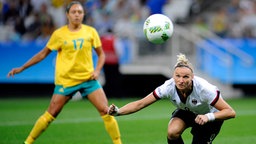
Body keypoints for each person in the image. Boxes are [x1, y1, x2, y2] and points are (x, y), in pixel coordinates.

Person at [7, 1, 122, 144]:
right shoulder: (59, 34)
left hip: (88, 80)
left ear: (83, 14)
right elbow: (43, 54)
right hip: (66, 81)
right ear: (67, 15)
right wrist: (22, 68)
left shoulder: (90, 32)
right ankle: (28, 142)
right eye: (73, 12)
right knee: (51, 114)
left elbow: (101, 55)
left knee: (106, 111)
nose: (77, 15)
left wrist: (97, 70)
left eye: (80, 12)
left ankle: (118, 143)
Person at [108, 53, 236, 144]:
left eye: (185, 77)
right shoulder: (168, 87)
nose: (181, 80)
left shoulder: (204, 89)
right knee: (172, 132)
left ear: (192, 77)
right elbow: (140, 104)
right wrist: (118, 112)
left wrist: (208, 117)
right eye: (177, 76)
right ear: (173, 76)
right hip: (188, 111)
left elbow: (230, 112)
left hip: (210, 116)